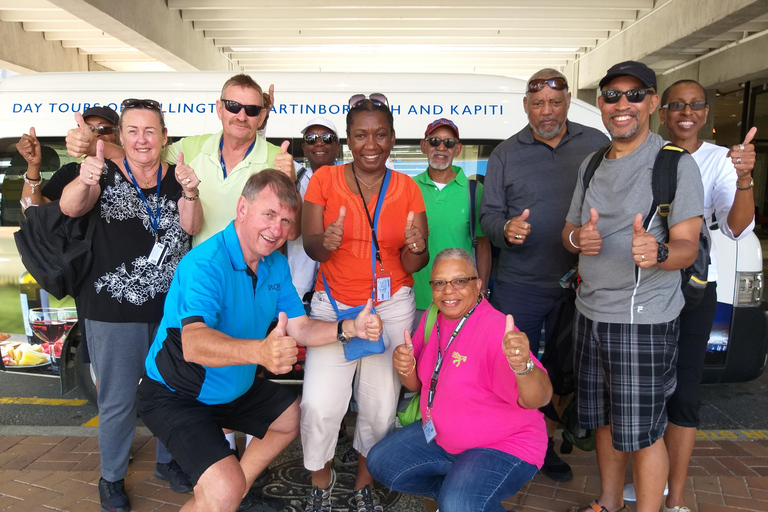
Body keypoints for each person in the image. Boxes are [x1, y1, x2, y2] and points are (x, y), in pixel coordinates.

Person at [136, 169, 383, 512]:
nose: (277, 230)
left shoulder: (276, 265)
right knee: (222, 491)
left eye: (285, 220)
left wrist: (348, 328)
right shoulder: (205, 264)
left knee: (289, 419)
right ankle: (227, 493)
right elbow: (194, 344)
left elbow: (302, 328)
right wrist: (262, 352)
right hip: (178, 394)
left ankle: (231, 492)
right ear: (241, 209)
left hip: (232, 390)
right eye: (268, 214)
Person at [561, 61, 704, 512]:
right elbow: (568, 231)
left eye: (634, 95)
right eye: (612, 96)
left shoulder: (674, 165)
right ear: (601, 105)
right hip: (590, 313)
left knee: (643, 430)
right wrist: (576, 238)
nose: (622, 104)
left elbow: (686, 246)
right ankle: (609, 502)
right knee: (604, 422)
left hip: (643, 320)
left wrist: (658, 253)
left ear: (652, 103)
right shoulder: (591, 163)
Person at [59, 98, 203, 512]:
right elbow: (71, 207)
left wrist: (191, 191)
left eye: (151, 131)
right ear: (121, 137)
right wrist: (86, 178)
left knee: (173, 389)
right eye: (134, 131)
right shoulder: (101, 172)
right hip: (112, 308)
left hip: (170, 309)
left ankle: (168, 462)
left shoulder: (177, 177)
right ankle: (111, 478)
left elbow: (192, 227)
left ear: (164, 137)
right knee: (119, 399)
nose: (142, 140)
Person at [621, 80, 756, 512]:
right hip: (644, 284)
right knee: (642, 390)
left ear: (705, 112)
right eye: (677, 104)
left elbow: (735, 227)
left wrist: (745, 178)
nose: (686, 112)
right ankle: (646, 485)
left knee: (685, 392)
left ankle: (674, 497)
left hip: (694, 286)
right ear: (662, 111)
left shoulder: (717, 160)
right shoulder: (647, 151)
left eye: (695, 105)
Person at [301, 93, 429, 512]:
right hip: (334, 307)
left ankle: (363, 484)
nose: (370, 144)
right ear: (348, 141)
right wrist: (326, 241)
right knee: (319, 404)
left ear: (392, 139)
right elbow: (312, 248)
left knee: (378, 408)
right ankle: (321, 480)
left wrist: (415, 245)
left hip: (390, 306)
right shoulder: (324, 181)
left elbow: (417, 259)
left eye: (379, 134)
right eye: (360, 135)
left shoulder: (407, 188)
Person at [479, 69, 609, 482]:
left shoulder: (597, 144)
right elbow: (488, 218)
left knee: (562, 368)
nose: (546, 111)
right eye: (538, 103)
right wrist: (506, 231)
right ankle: (509, 441)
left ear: (568, 101)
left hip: (581, 283)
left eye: (555, 102)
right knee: (512, 363)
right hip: (520, 284)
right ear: (526, 106)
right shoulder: (505, 154)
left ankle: (546, 444)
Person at [367, 247, 551, 512]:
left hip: (503, 445)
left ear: (477, 284)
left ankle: (461, 500)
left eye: (459, 281)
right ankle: (463, 496)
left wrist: (523, 367)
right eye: (440, 283)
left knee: (458, 504)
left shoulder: (495, 328)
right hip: (442, 437)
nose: (448, 291)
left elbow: (538, 398)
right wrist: (404, 367)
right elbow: (417, 386)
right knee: (382, 463)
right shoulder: (435, 318)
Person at [65, 74, 294, 246]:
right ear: (219, 108)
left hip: (253, 279)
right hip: (202, 281)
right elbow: (143, 154)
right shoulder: (191, 148)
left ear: (262, 116)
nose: (241, 116)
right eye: (233, 106)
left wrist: (290, 183)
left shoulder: (278, 159)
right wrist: (92, 145)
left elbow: (292, 234)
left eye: (252, 110)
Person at [412, 118, 491, 326]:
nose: (441, 148)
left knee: (458, 358)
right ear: (423, 146)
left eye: (448, 143)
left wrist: (481, 291)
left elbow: (482, 245)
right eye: (434, 141)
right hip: (416, 299)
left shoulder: (474, 191)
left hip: (460, 298)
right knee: (416, 357)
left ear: (457, 149)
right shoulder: (408, 189)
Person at [17, 105, 120, 209]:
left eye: (104, 129)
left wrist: (93, 145)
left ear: (120, 134)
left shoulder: (132, 167)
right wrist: (33, 165)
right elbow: (32, 210)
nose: (95, 134)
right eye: (89, 129)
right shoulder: (71, 171)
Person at [288, 117, 341, 309]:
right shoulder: (295, 180)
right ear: (304, 147)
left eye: (326, 138)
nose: (319, 142)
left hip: (338, 288)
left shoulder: (350, 182)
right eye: (311, 138)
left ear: (337, 146)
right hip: (299, 289)